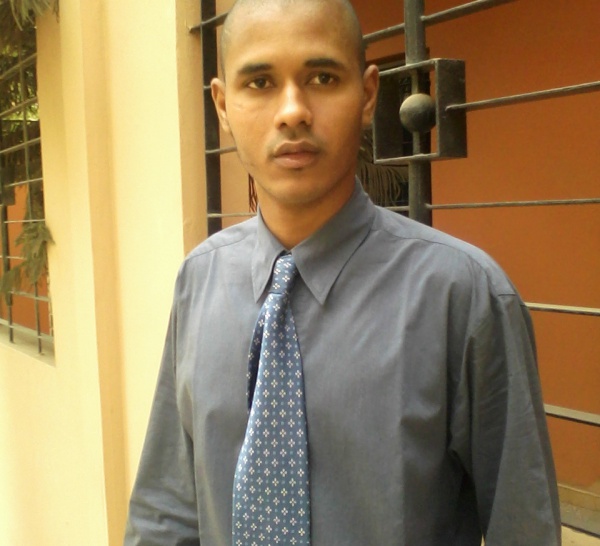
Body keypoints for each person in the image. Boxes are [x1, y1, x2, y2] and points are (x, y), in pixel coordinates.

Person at [124, 0, 561, 544]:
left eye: (323, 78)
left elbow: (523, 527)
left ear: (368, 94)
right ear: (222, 105)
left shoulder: (463, 296)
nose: (292, 111)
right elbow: (166, 512)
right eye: (260, 83)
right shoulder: (200, 280)